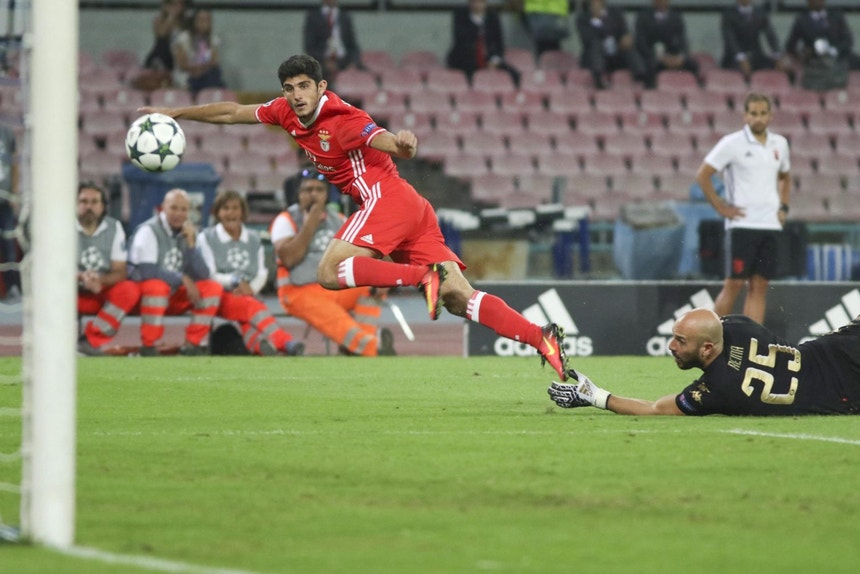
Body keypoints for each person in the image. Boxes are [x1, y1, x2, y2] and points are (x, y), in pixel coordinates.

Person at [138, 54, 569, 380]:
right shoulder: (284, 112)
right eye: (290, 87)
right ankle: (540, 337)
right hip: (410, 208)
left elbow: (378, 138)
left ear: (321, 86)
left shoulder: (340, 118)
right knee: (459, 297)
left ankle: (421, 277)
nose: (297, 94)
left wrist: (402, 146)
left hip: (385, 198)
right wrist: (176, 114)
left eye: (305, 85)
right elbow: (232, 113)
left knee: (328, 271)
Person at [548, 308, 860, 416]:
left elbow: (656, 409)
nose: (671, 346)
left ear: (708, 349)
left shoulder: (719, 388)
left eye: (680, 341)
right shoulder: (741, 325)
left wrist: (597, 396)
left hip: (845, 391)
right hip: (836, 347)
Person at [270, 168, 395, 357]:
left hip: (332, 286)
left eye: (319, 190)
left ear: (327, 194)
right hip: (298, 291)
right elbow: (289, 258)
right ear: (299, 194)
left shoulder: (339, 220)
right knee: (340, 323)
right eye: (308, 190)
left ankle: (356, 349)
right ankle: (372, 348)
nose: (313, 195)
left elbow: (360, 253)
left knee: (370, 286)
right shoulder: (285, 220)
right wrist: (311, 221)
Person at [694, 93, 790, 324]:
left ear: (770, 115)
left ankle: (751, 342)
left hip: (770, 225)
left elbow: (785, 177)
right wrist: (720, 207)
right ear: (745, 116)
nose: (758, 118)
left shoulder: (780, 143)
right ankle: (709, 337)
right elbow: (703, 175)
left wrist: (783, 207)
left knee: (759, 286)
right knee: (734, 283)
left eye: (762, 113)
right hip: (742, 224)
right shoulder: (732, 143)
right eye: (753, 113)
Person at [197, 190, 305, 356]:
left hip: (248, 294)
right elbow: (209, 274)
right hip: (219, 296)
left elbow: (262, 272)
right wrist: (235, 282)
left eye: (235, 208)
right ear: (218, 212)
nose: (231, 213)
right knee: (250, 305)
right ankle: (285, 342)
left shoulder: (254, 238)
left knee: (247, 308)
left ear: (242, 212)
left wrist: (251, 289)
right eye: (225, 208)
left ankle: (260, 345)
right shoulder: (207, 237)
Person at [128, 188, 223, 356]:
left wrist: (192, 246)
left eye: (183, 209)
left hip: (175, 296)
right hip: (144, 298)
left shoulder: (191, 233)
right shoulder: (149, 231)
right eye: (173, 208)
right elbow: (146, 271)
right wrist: (182, 278)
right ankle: (148, 345)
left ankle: (191, 345)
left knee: (212, 288)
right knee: (156, 286)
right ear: (162, 208)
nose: (178, 213)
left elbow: (204, 274)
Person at [76, 182, 141, 356]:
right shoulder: (61, 227)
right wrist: (82, 277)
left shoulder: (114, 227)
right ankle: (58, 343)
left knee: (129, 289)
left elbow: (120, 271)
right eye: (83, 201)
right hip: (70, 290)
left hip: (101, 289)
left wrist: (99, 280)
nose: (89, 207)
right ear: (75, 204)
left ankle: (90, 340)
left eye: (94, 202)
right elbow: (53, 269)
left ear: (102, 206)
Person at [785, 0, 860, 90]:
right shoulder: (801, 20)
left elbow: (848, 40)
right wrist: (803, 53)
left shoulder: (836, 16)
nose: (817, 1)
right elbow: (790, 46)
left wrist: (834, 50)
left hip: (838, 57)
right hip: (815, 60)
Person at [576, 0, 647, 90]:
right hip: (596, 57)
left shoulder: (615, 13)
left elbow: (624, 31)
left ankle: (640, 75)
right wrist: (597, 20)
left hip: (616, 53)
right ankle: (598, 78)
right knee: (596, 45)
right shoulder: (583, 18)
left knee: (629, 48)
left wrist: (625, 39)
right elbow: (588, 39)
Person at [447, 0, 520, 87]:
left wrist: (494, 60)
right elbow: (460, 41)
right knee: (471, 75)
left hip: (488, 58)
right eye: (474, 2)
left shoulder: (493, 16)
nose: (477, 4)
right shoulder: (460, 15)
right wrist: (477, 23)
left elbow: (499, 43)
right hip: (465, 59)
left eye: (480, 2)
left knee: (513, 74)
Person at [634, 0, 700, 89]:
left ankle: (691, 93)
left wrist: (680, 57)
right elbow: (641, 43)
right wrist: (660, 57)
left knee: (693, 64)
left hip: (674, 56)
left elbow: (683, 41)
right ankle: (653, 93)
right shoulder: (643, 16)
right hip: (653, 57)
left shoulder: (676, 16)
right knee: (649, 67)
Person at [132, 0, 192, 90]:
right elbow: (161, 34)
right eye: (172, 4)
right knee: (163, 45)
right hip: (163, 56)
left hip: (181, 56)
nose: (175, 7)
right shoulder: (158, 20)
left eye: (178, 4)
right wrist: (171, 16)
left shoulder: (187, 22)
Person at [720, 0, 787, 80]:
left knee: (778, 69)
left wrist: (777, 56)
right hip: (734, 58)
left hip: (756, 56)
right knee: (741, 71)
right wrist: (741, 59)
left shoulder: (760, 12)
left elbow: (770, 35)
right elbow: (730, 40)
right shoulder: (728, 14)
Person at [303, 0, 363, 85]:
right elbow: (310, 47)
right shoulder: (313, 17)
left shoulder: (345, 16)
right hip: (322, 62)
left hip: (344, 61)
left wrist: (352, 62)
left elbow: (352, 45)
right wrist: (324, 61)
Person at [172, 7, 225, 94]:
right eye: (201, 19)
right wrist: (199, 69)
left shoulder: (213, 40)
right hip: (188, 76)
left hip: (205, 75)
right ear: (195, 21)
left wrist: (200, 70)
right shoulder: (183, 39)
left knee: (216, 74)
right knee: (214, 80)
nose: (204, 23)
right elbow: (182, 65)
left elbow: (214, 62)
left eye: (207, 19)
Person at [0, 123, 20, 300]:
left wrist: (13, 193)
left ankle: (13, 287)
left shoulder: (6, 132)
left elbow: (14, 163)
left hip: (5, 198)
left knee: (9, 245)